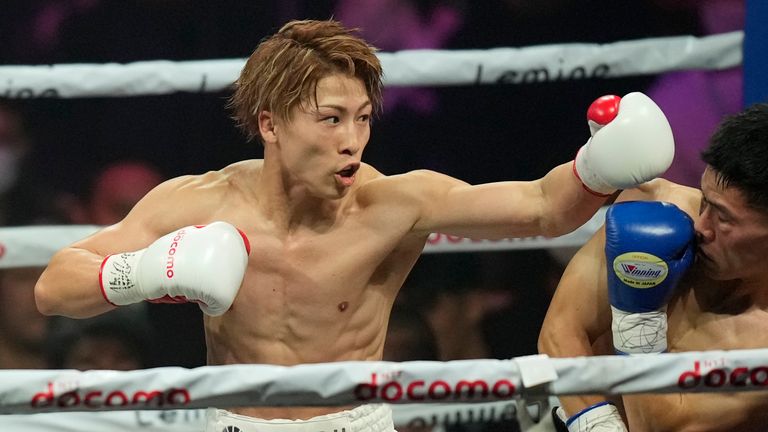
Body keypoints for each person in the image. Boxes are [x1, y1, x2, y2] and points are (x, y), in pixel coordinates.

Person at [35, 19, 673, 432]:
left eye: (364, 118)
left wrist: (596, 166)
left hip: (355, 422)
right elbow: (54, 288)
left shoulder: (394, 204)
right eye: (331, 119)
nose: (354, 141)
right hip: (233, 423)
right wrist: (142, 273)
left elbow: (542, 207)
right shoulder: (199, 203)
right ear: (270, 124)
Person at [538, 103, 768, 431]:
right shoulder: (658, 210)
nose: (700, 227)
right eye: (704, 200)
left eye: (723, 216)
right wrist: (598, 424)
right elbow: (561, 330)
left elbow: (660, 427)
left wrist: (637, 321)